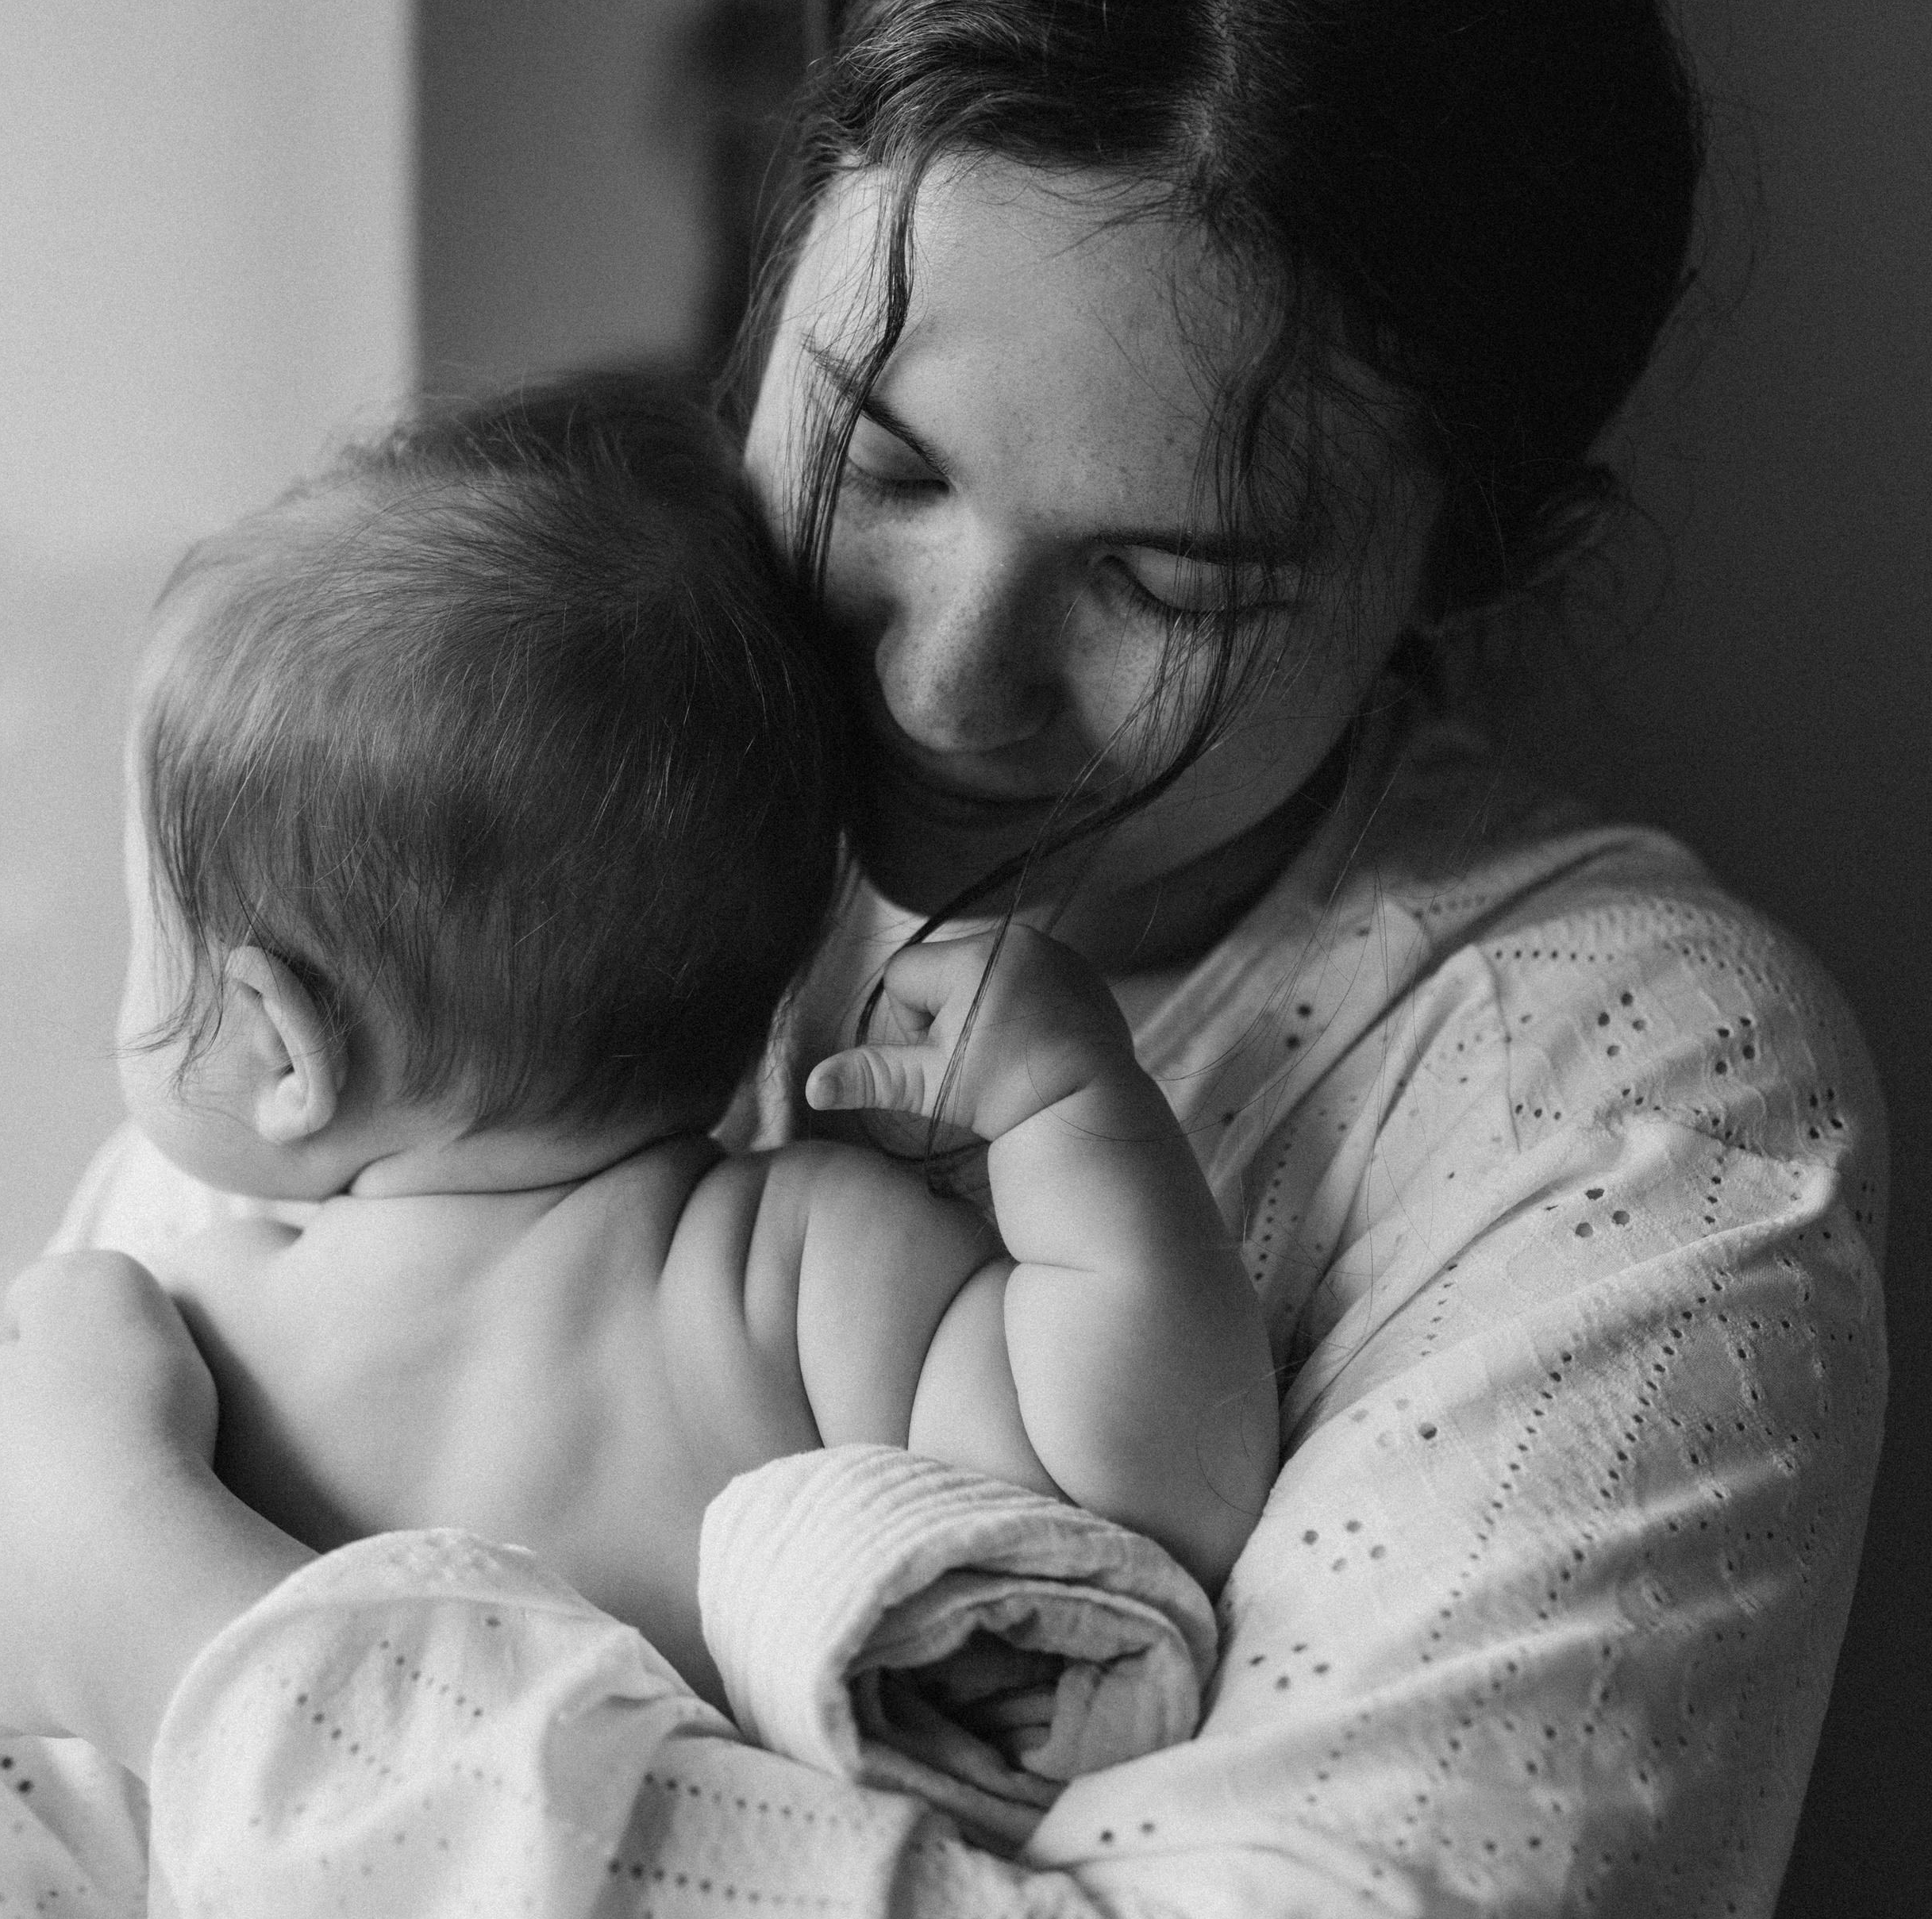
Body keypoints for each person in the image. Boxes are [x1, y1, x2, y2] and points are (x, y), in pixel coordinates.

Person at [0, 0, 1886, 1919]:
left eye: (1167, 584)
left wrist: (183, 1631)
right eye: (880, 456)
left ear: (1465, 557)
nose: (943, 689)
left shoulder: (1622, 1098)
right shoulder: (528, 770)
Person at [104, 373, 1272, 1717]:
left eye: (142, 928)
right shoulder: (786, 1274)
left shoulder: (192, 1331)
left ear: (280, 1048)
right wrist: (1081, 1116)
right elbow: (1162, 1485)